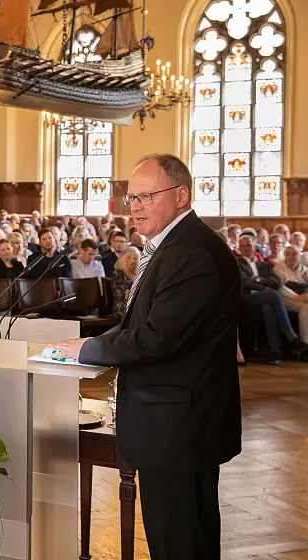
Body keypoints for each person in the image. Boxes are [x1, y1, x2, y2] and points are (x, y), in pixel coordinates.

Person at [51, 154, 241, 560]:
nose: (134, 207)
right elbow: (143, 323)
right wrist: (93, 344)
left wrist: (87, 348)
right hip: (174, 422)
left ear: (181, 195)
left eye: (146, 197)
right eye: (131, 198)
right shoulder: (175, 245)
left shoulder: (192, 252)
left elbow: (158, 338)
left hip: (179, 426)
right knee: (179, 538)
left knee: (181, 542)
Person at [236, 234, 301, 363]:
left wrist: (258, 279)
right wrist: (264, 287)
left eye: (248, 245)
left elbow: (275, 281)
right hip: (247, 299)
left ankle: (274, 349)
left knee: (268, 308)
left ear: (254, 246)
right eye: (242, 246)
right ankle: (288, 333)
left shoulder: (263, 265)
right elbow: (245, 282)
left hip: (264, 300)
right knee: (274, 295)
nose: (245, 248)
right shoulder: (237, 263)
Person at [275, 245, 308, 351]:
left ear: (299, 256)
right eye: (287, 254)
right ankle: (305, 344)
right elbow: (281, 288)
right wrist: (297, 297)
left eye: (294, 254)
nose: (291, 257)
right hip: (285, 299)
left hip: (304, 298)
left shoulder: (305, 270)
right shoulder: (278, 269)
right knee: (305, 308)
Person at [109, 247, 140, 319]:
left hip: (137, 306)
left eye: (135, 258)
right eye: (129, 257)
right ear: (122, 258)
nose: (132, 261)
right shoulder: (118, 274)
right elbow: (121, 295)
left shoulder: (139, 274)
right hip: (123, 306)